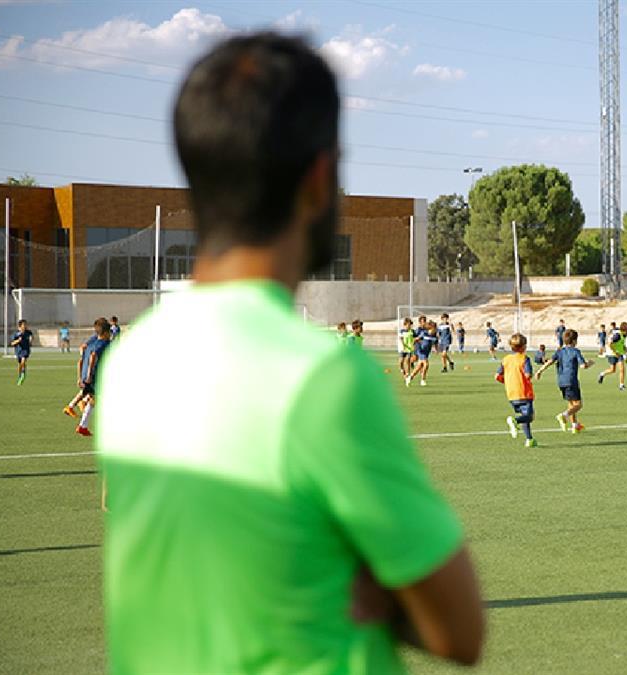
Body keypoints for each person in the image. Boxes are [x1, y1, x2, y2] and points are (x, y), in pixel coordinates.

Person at [95, 34, 483, 673]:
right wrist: (363, 581)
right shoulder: (322, 375)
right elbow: (459, 632)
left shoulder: (132, 360)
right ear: (320, 178)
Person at [535, 329, 593, 433]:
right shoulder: (576, 351)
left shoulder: (559, 351)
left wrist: (539, 371)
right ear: (575, 341)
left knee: (571, 402)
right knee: (578, 405)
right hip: (571, 380)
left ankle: (575, 425)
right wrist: (590, 363)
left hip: (561, 381)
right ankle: (564, 415)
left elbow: (550, 362)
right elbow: (583, 366)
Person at [497, 333, 537, 447]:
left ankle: (529, 439)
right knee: (529, 416)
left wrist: (508, 382)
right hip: (524, 392)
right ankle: (515, 421)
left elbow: (497, 376)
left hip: (511, 394)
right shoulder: (524, 358)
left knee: (525, 416)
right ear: (524, 346)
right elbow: (528, 374)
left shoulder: (506, 359)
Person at [74, 317, 111, 437]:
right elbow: (93, 357)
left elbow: (81, 359)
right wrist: (89, 376)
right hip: (94, 377)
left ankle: (83, 426)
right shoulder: (103, 344)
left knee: (93, 400)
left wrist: (80, 377)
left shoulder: (91, 344)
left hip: (86, 376)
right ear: (106, 333)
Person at [598, 322, 627, 391]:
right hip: (611, 354)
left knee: (622, 369)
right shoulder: (617, 336)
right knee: (612, 370)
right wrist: (615, 352)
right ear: (624, 330)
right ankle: (602, 374)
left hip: (619, 354)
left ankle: (621, 385)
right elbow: (610, 344)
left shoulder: (624, 337)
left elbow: (620, 345)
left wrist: (624, 349)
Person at [407, 321, 438, 387]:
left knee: (419, 366)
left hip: (427, 352)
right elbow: (416, 339)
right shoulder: (424, 333)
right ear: (430, 328)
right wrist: (412, 346)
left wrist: (435, 349)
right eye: (434, 328)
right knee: (426, 364)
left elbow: (435, 343)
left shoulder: (435, 335)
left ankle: (410, 377)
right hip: (421, 350)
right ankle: (423, 380)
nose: (435, 330)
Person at [10, 319, 33, 385]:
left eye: (25, 324)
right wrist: (18, 341)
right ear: (20, 326)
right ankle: (20, 376)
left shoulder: (28, 332)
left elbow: (31, 337)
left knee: (23, 360)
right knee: (20, 364)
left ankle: (23, 373)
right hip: (18, 350)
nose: (25, 326)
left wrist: (31, 340)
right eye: (23, 324)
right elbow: (12, 343)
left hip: (26, 350)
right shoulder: (16, 334)